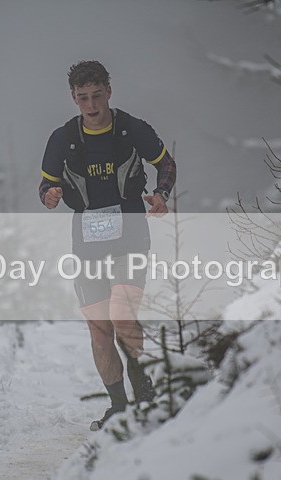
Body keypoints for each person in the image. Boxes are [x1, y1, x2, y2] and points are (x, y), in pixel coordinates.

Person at [39, 60, 177, 430]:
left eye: (97, 95)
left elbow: (166, 165)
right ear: (74, 98)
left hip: (130, 234)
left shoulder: (132, 129)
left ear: (109, 92)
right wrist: (50, 195)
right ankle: (119, 407)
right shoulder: (62, 138)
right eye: (83, 97)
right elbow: (45, 186)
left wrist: (161, 193)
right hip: (86, 242)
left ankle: (144, 393)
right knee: (99, 330)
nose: (91, 104)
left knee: (123, 317)